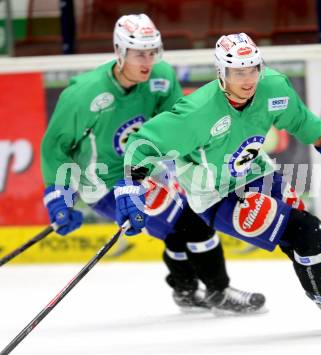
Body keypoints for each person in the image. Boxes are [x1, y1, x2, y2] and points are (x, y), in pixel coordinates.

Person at [117, 33, 321, 332]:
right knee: (308, 230)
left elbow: (299, 120)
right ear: (222, 72)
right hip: (217, 196)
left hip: (258, 173)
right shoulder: (197, 112)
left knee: (305, 237)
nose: (248, 80)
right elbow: (143, 144)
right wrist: (130, 189)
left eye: (253, 69)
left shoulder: (273, 87)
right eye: (237, 72)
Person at [40, 16, 266, 314]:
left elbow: (178, 123)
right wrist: (59, 194)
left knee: (182, 227)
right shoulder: (83, 94)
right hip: (104, 182)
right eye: (138, 54)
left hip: (145, 170)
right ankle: (217, 291)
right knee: (191, 224)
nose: (147, 61)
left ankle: (186, 289)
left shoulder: (161, 76)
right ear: (120, 51)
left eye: (152, 52)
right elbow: (56, 145)